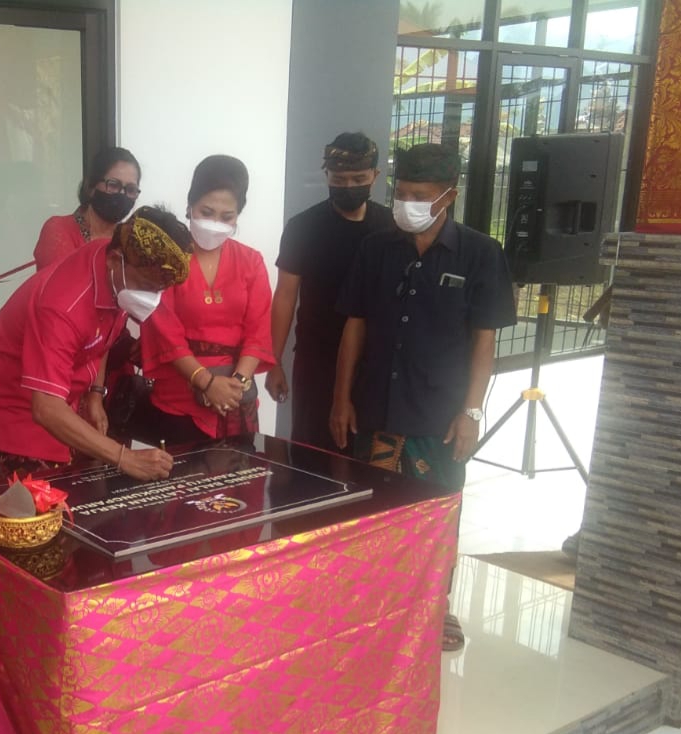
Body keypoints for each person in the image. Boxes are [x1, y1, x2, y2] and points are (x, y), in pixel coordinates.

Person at [332, 142, 516, 651]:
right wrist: (341, 398)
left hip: (439, 417)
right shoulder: (375, 249)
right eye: (403, 193)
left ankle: (436, 606)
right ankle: (375, 604)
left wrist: (472, 411)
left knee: (436, 516)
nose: (407, 203)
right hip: (375, 409)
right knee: (374, 514)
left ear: (448, 196)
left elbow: (484, 342)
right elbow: (354, 326)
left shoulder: (481, 254)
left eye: (420, 196)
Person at [0, 206, 190, 481]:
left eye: (159, 290)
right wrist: (124, 457)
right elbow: (46, 408)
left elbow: (101, 337)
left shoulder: (114, 271)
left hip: (61, 397)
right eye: (147, 286)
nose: (151, 298)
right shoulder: (64, 306)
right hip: (16, 409)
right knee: (33, 504)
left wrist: (95, 394)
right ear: (115, 260)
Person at [266, 132, 393, 454]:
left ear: (375, 175)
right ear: (327, 176)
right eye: (339, 179)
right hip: (317, 358)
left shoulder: (390, 227)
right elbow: (285, 295)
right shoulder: (303, 227)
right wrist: (273, 361)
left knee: (369, 451)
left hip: (375, 360)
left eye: (358, 179)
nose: (349, 186)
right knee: (313, 450)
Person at [134, 155, 275, 443]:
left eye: (227, 217)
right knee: (178, 474)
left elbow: (258, 332)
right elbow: (164, 334)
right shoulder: (167, 259)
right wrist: (206, 382)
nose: (215, 224)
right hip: (178, 400)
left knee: (239, 473)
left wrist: (237, 384)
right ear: (189, 206)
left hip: (236, 400)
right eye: (206, 212)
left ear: (238, 216)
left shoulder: (251, 261)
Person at [33, 146, 140, 269]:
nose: (122, 194)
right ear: (91, 186)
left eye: (131, 189)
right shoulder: (59, 229)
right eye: (113, 185)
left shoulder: (131, 242)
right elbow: (63, 279)